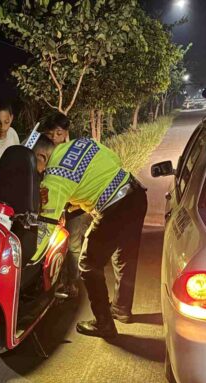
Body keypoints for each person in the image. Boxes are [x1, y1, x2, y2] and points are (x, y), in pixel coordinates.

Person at [32, 136, 147, 339]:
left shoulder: (54, 176)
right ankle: (121, 308)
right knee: (124, 256)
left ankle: (104, 324)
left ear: (41, 156)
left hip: (114, 209)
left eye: (36, 165)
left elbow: (47, 224)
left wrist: (32, 257)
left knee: (88, 264)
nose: (38, 172)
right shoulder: (82, 143)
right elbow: (114, 161)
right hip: (136, 195)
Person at [41, 112, 87, 299]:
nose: (54, 138)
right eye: (50, 134)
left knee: (74, 245)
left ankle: (73, 283)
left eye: (58, 133)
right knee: (53, 245)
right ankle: (55, 281)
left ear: (66, 132)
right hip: (54, 206)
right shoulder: (46, 150)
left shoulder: (73, 152)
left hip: (74, 207)